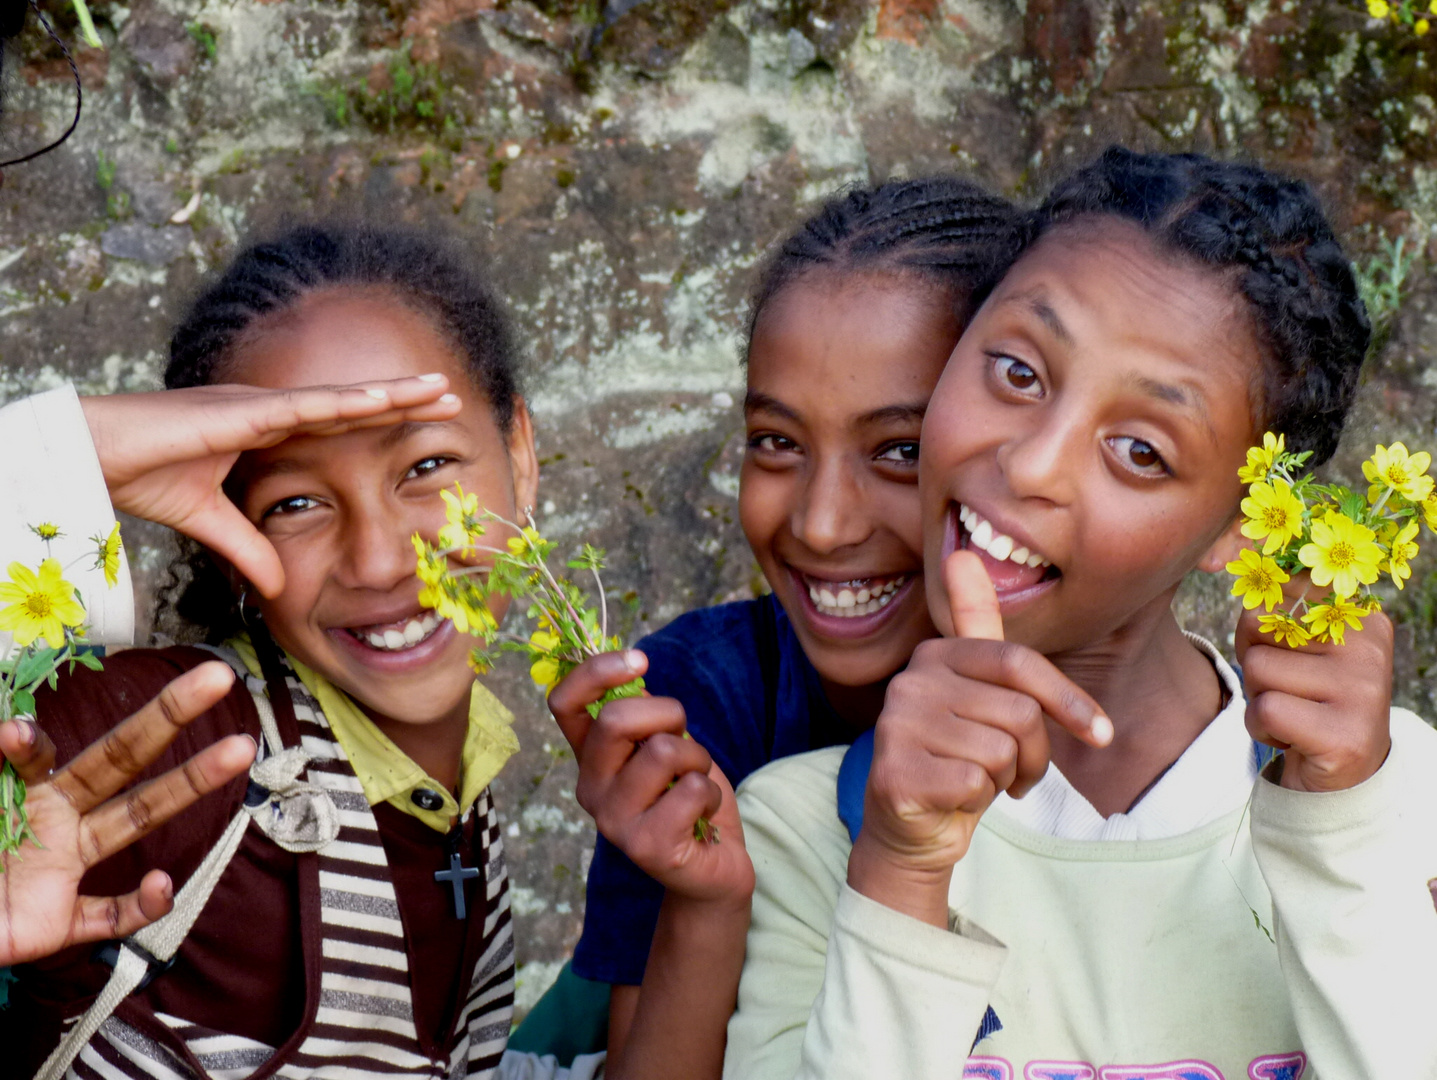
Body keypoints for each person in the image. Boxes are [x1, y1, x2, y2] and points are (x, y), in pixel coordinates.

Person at [719, 147, 1437, 1077]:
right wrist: (903, 869)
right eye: (1017, 372)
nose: (1030, 464)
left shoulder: (1396, 794)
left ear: (1242, 522)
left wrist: (1340, 836)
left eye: (1141, 449)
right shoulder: (805, 831)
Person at [0, 221, 749, 1080]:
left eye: (425, 465)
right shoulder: (170, 737)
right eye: (294, 504)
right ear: (221, 532)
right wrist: (56, 460)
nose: (383, 559)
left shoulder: (458, 817)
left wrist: (705, 905)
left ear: (520, 455)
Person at [536, 177, 1021, 1061]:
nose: (820, 524)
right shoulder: (699, 705)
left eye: (900, 452)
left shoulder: (1113, 709)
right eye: (777, 442)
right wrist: (705, 900)